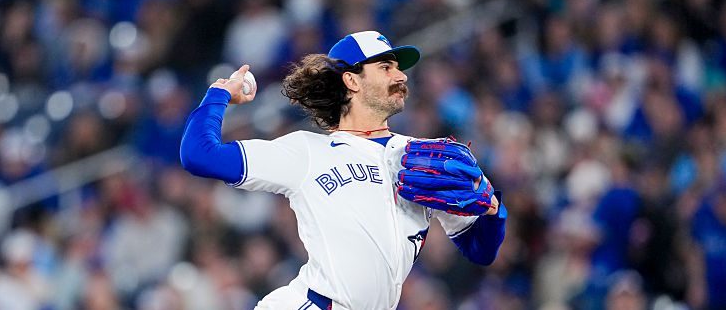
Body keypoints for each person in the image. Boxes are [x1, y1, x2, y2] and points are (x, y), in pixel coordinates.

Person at [180, 31, 507, 309]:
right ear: (351, 80)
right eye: (385, 66)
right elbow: (199, 155)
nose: (401, 76)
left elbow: (481, 251)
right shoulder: (307, 150)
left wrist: (492, 207)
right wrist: (219, 94)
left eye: (398, 68)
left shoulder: (424, 159)